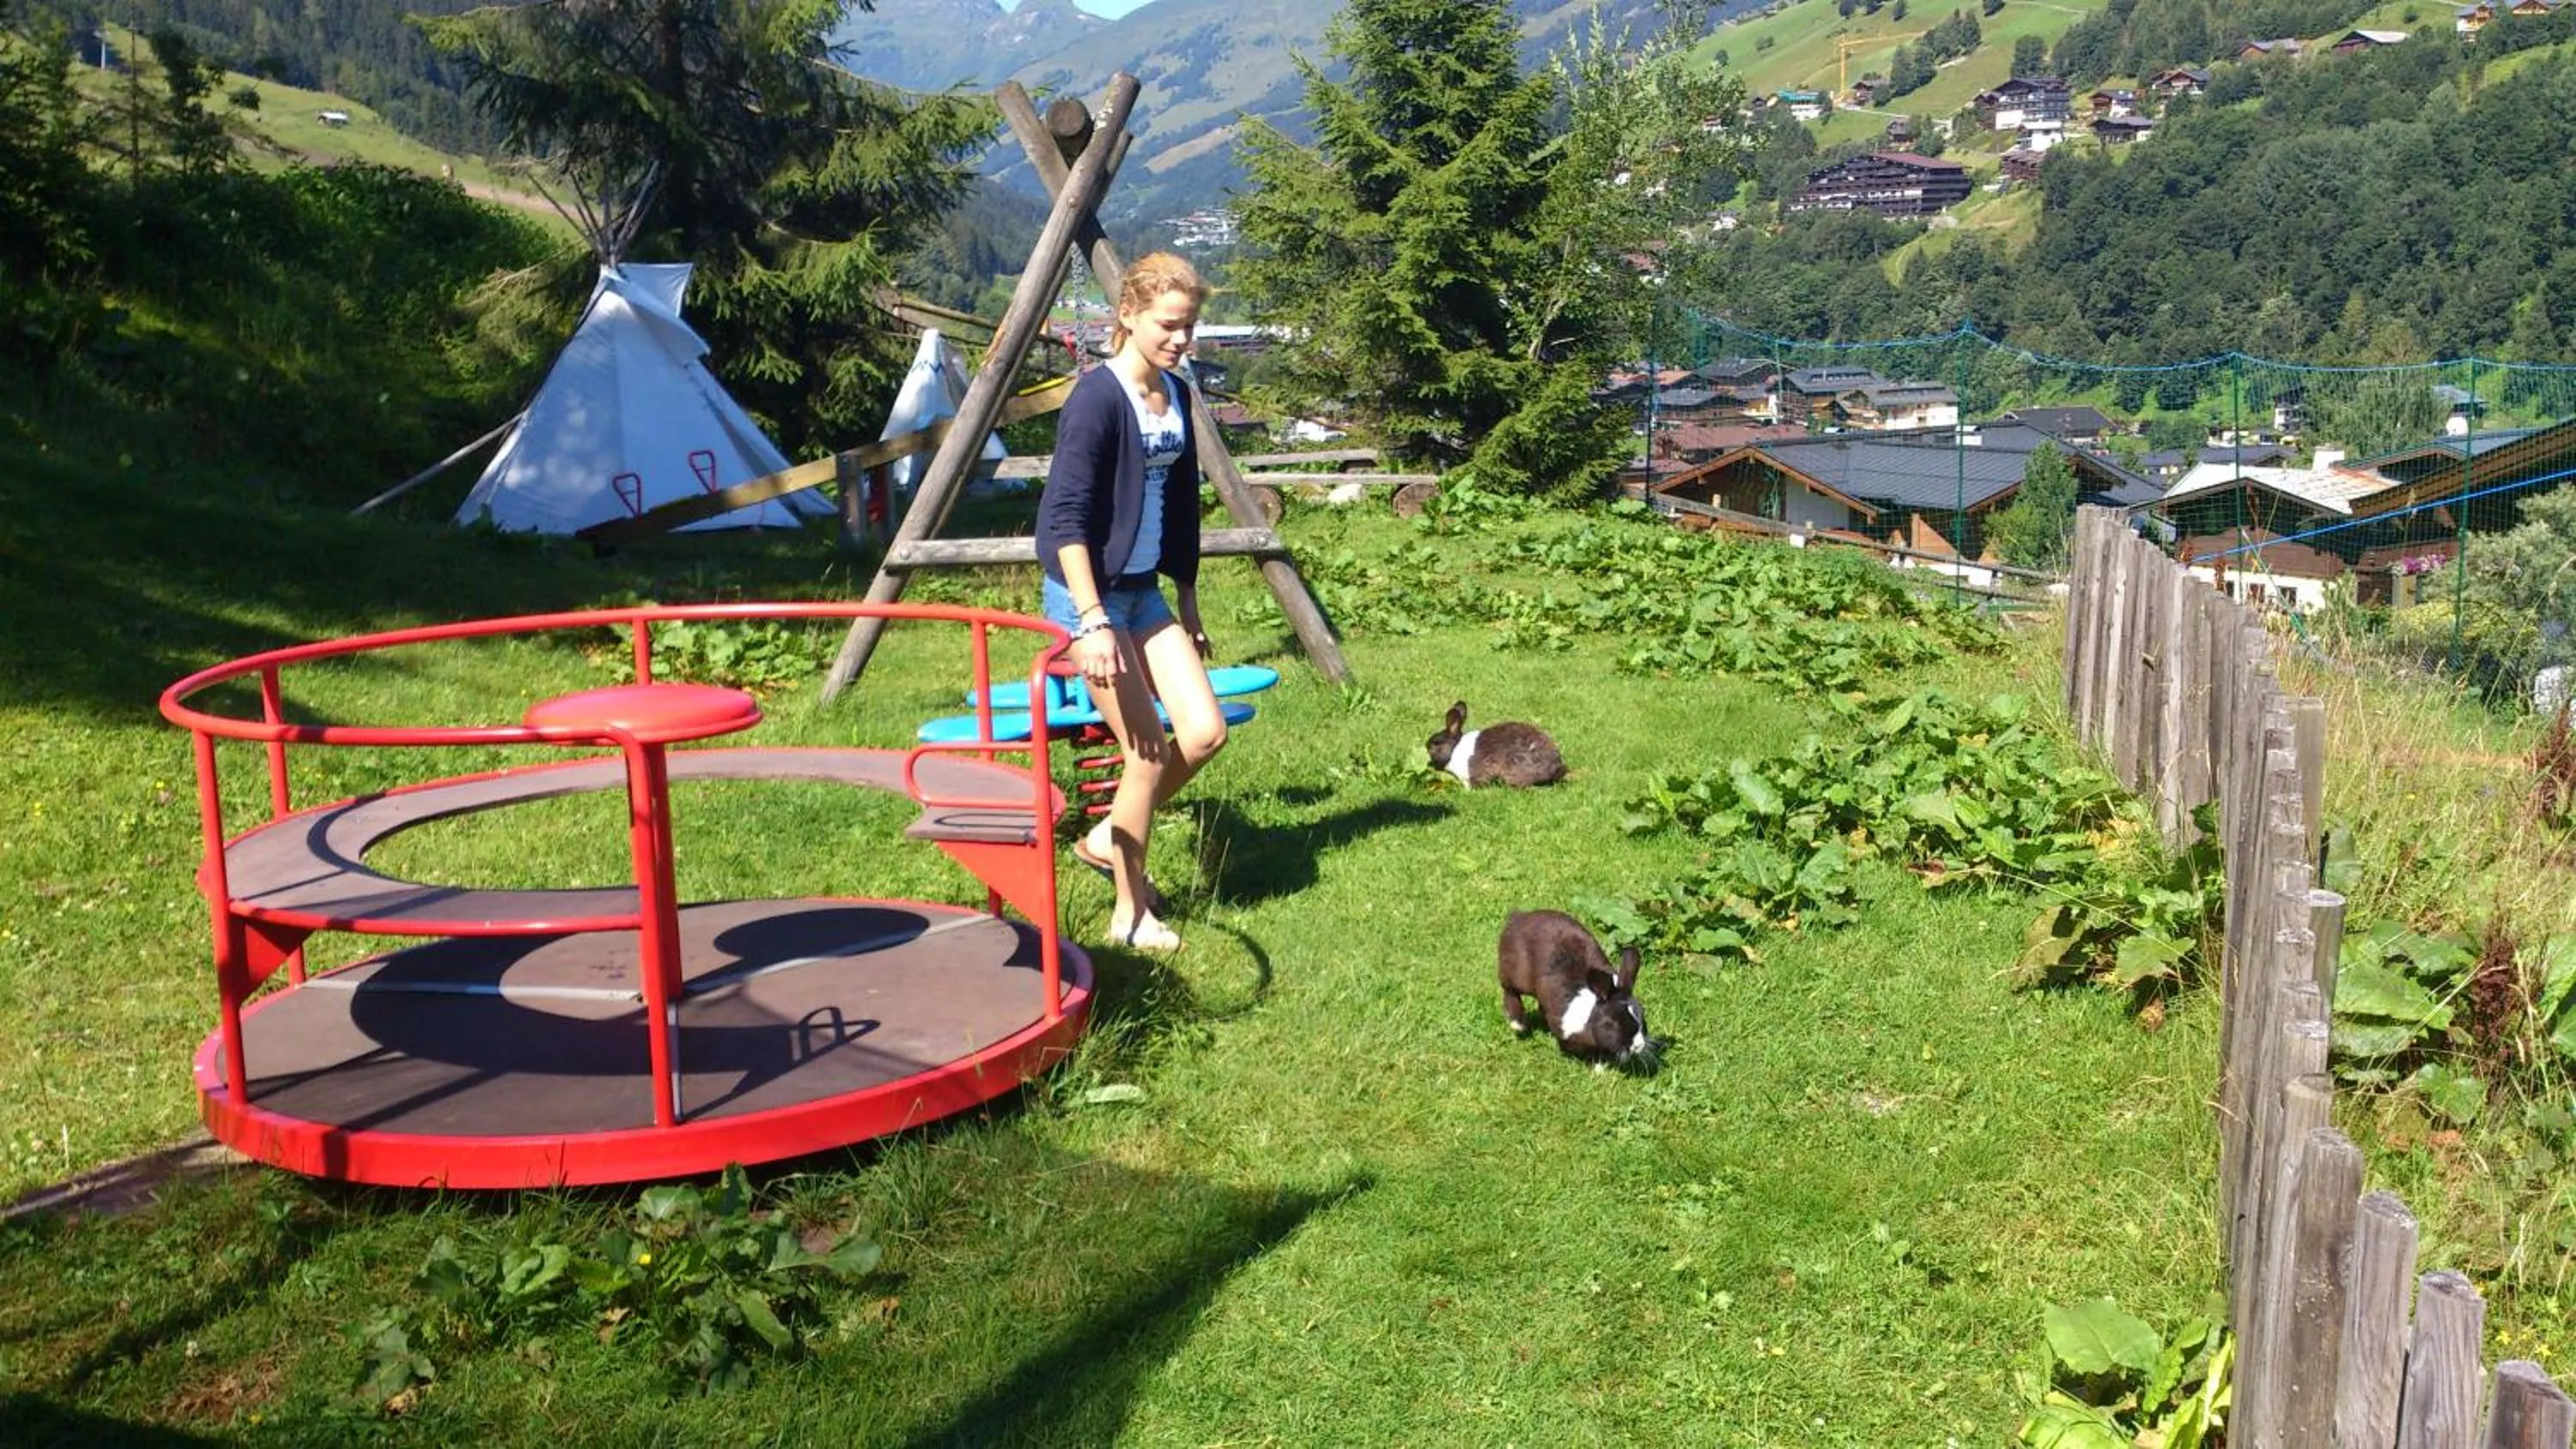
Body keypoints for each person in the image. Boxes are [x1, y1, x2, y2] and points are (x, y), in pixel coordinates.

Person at [1034, 253, 1228, 953]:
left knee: (1204, 733)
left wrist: (1189, 599)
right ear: (1128, 316)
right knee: (1146, 755)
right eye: (1169, 326)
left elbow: (1180, 509)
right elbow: (1065, 521)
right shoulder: (1096, 398)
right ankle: (1129, 912)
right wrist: (1089, 622)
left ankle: (1100, 837)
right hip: (1089, 599)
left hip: (1144, 592)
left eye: (1189, 326)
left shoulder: (1174, 394)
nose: (1181, 339)